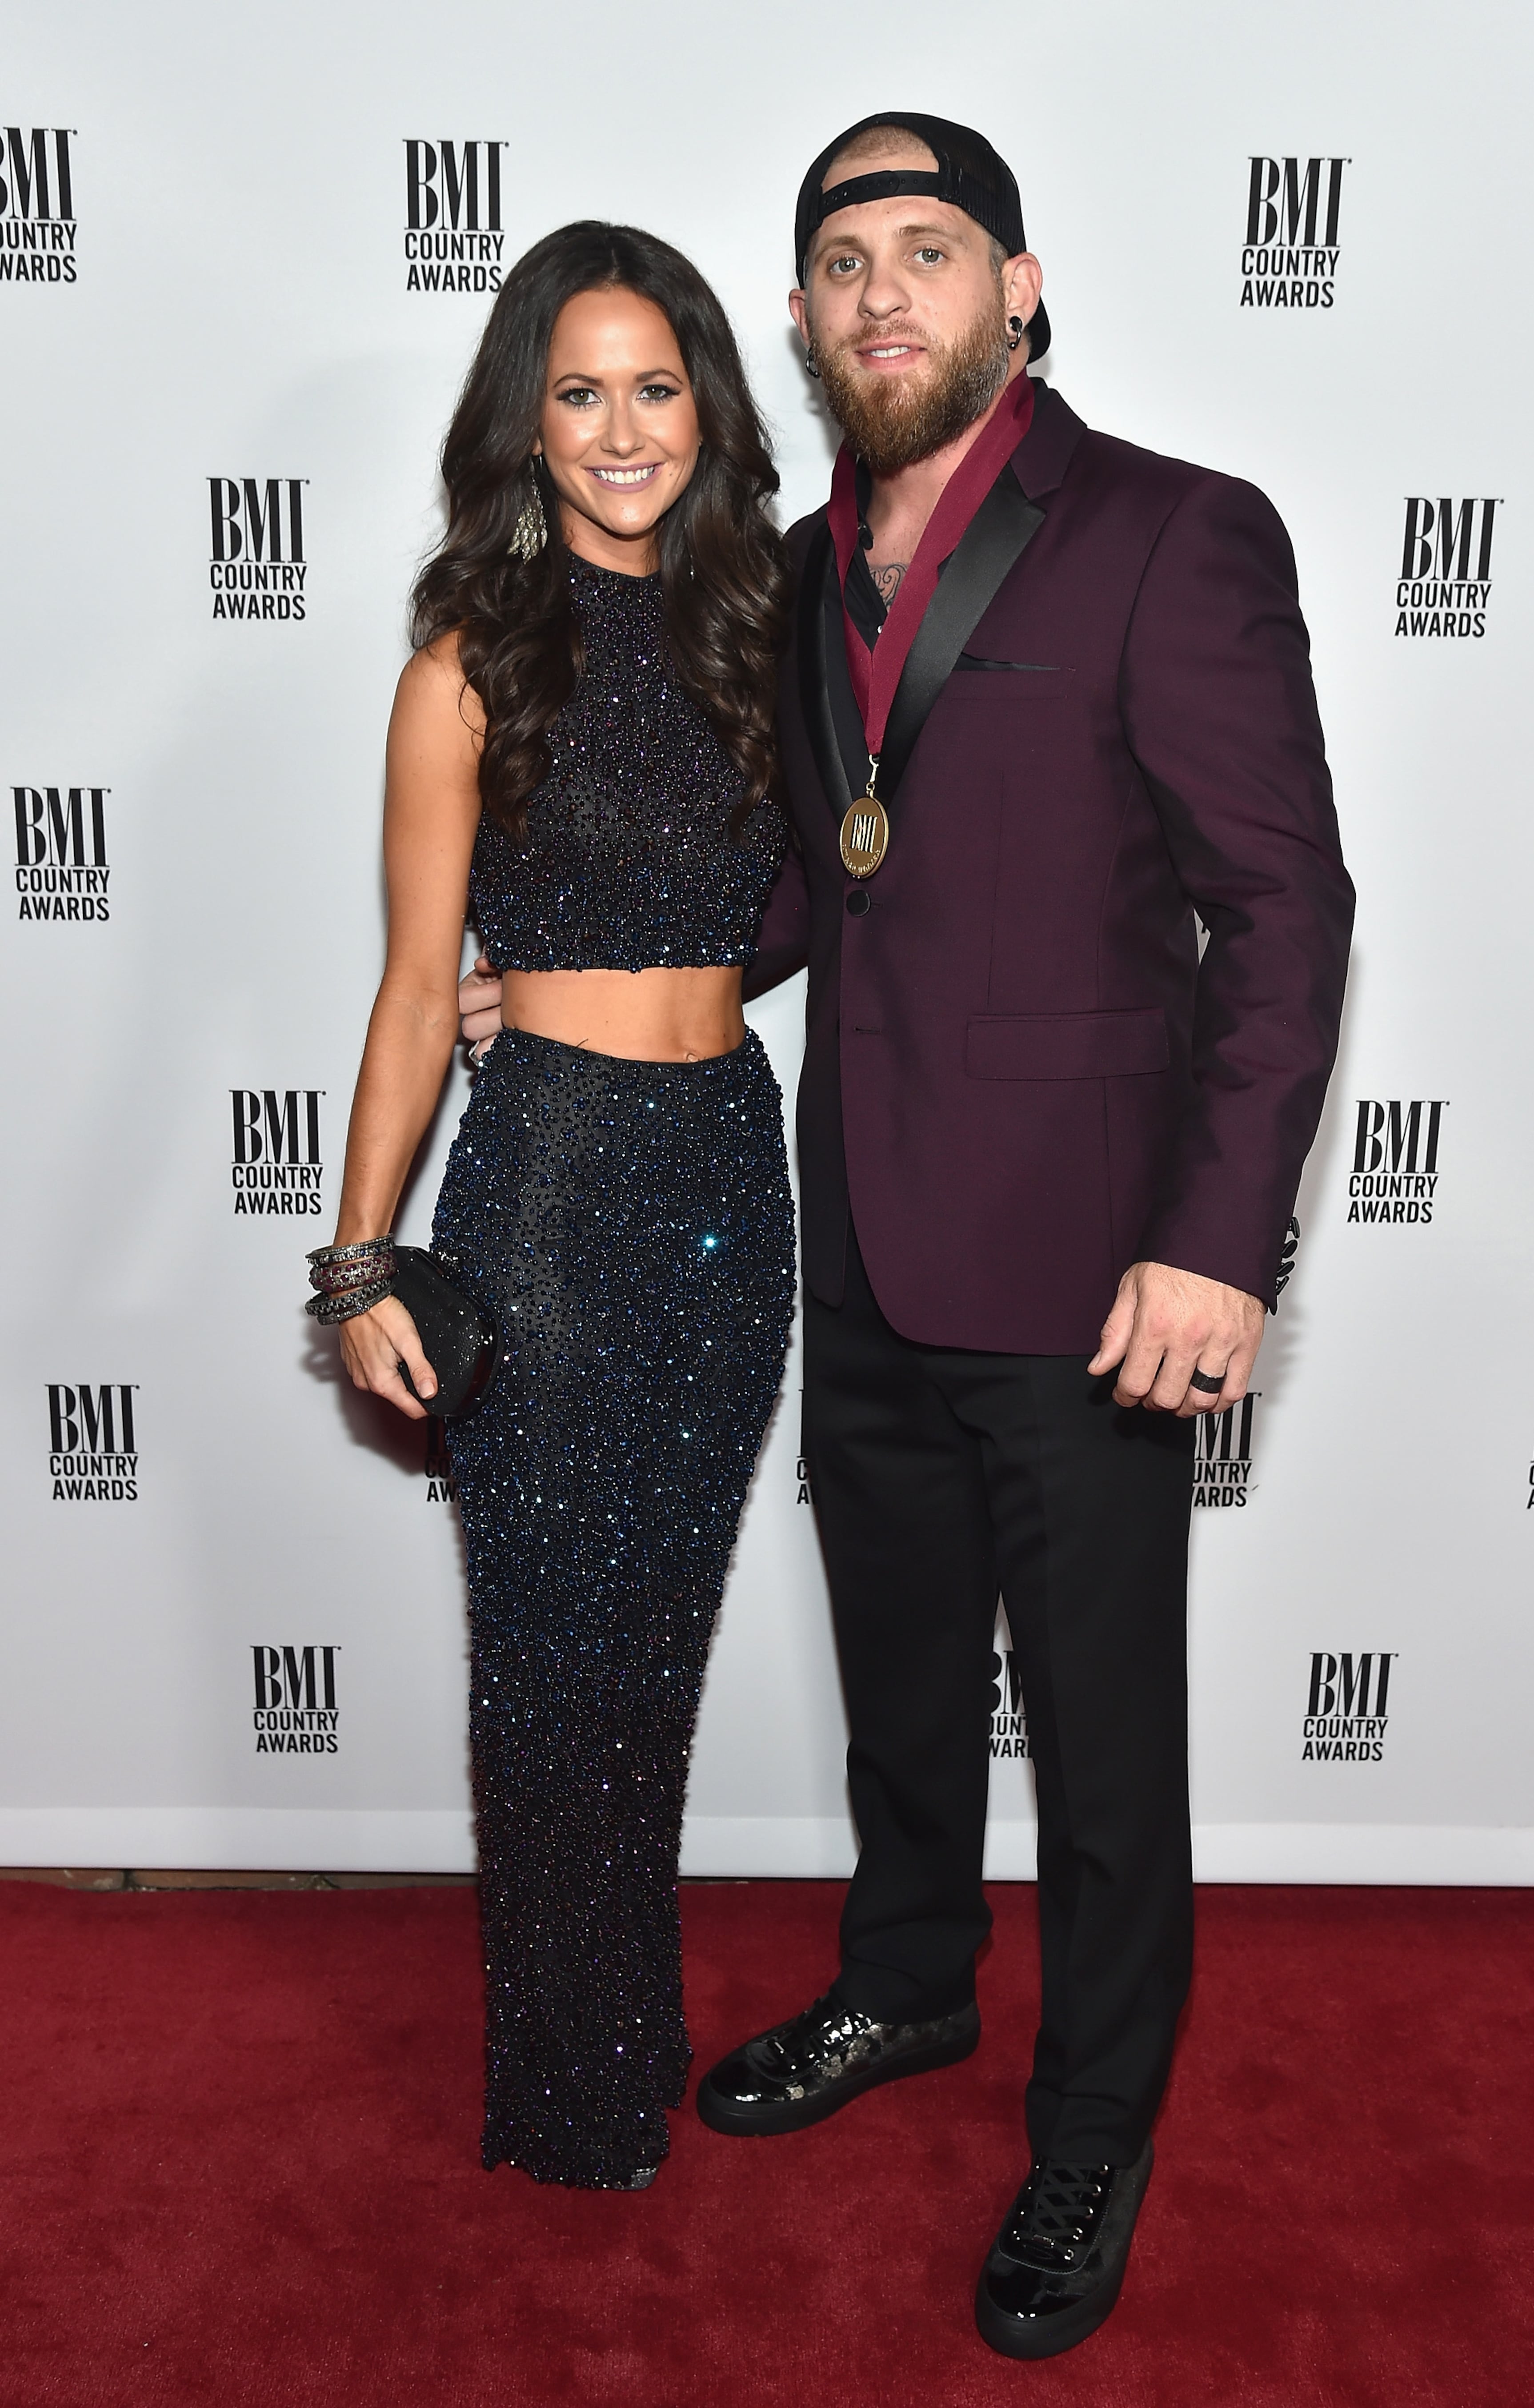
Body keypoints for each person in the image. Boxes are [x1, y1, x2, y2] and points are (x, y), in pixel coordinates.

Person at [464, 113, 1354, 2354]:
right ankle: (908, 1979)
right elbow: (814, 872)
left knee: (1105, 1733)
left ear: (1016, 289)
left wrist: (1219, 1243)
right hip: (846, 1230)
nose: (886, 292)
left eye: (930, 249)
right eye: (846, 259)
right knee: (905, 1675)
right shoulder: (787, 573)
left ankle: (1097, 2123)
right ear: (799, 314)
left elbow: (1284, 908)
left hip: (1092, 1266)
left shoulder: (1174, 532)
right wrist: (592, 969)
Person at [315, 221, 795, 2193]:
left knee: (654, 1650)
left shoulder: (765, 634)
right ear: (524, 423)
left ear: (709, 407)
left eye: (654, 386)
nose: (620, 429)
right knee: (544, 1658)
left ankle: (626, 2011)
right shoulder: (468, 669)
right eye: (577, 392)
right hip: (551, 1189)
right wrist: (361, 1259)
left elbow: (832, 885)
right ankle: (570, 2076)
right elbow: (415, 991)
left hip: (730, 1180)